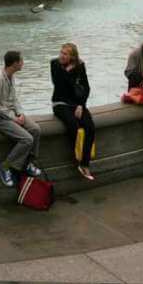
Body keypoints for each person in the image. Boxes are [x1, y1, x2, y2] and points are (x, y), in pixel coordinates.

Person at [0, 51, 42, 188]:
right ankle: (4, 166)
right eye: (21, 61)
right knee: (27, 139)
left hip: (12, 115)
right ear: (15, 63)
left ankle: (28, 163)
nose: (23, 63)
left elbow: (14, 99)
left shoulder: (11, 77)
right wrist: (13, 118)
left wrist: (20, 113)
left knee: (36, 129)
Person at [51, 43, 96, 181]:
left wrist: (81, 105)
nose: (62, 56)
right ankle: (76, 160)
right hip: (60, 103)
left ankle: (85, 163)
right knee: (73, 126)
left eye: (65, 54)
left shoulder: (80, 66)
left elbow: (86, 88)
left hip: (76, 104)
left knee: (90, 127)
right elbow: (59, 84)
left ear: (72, 57)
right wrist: (68, 72)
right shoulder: (55, 64)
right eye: (61, 52)